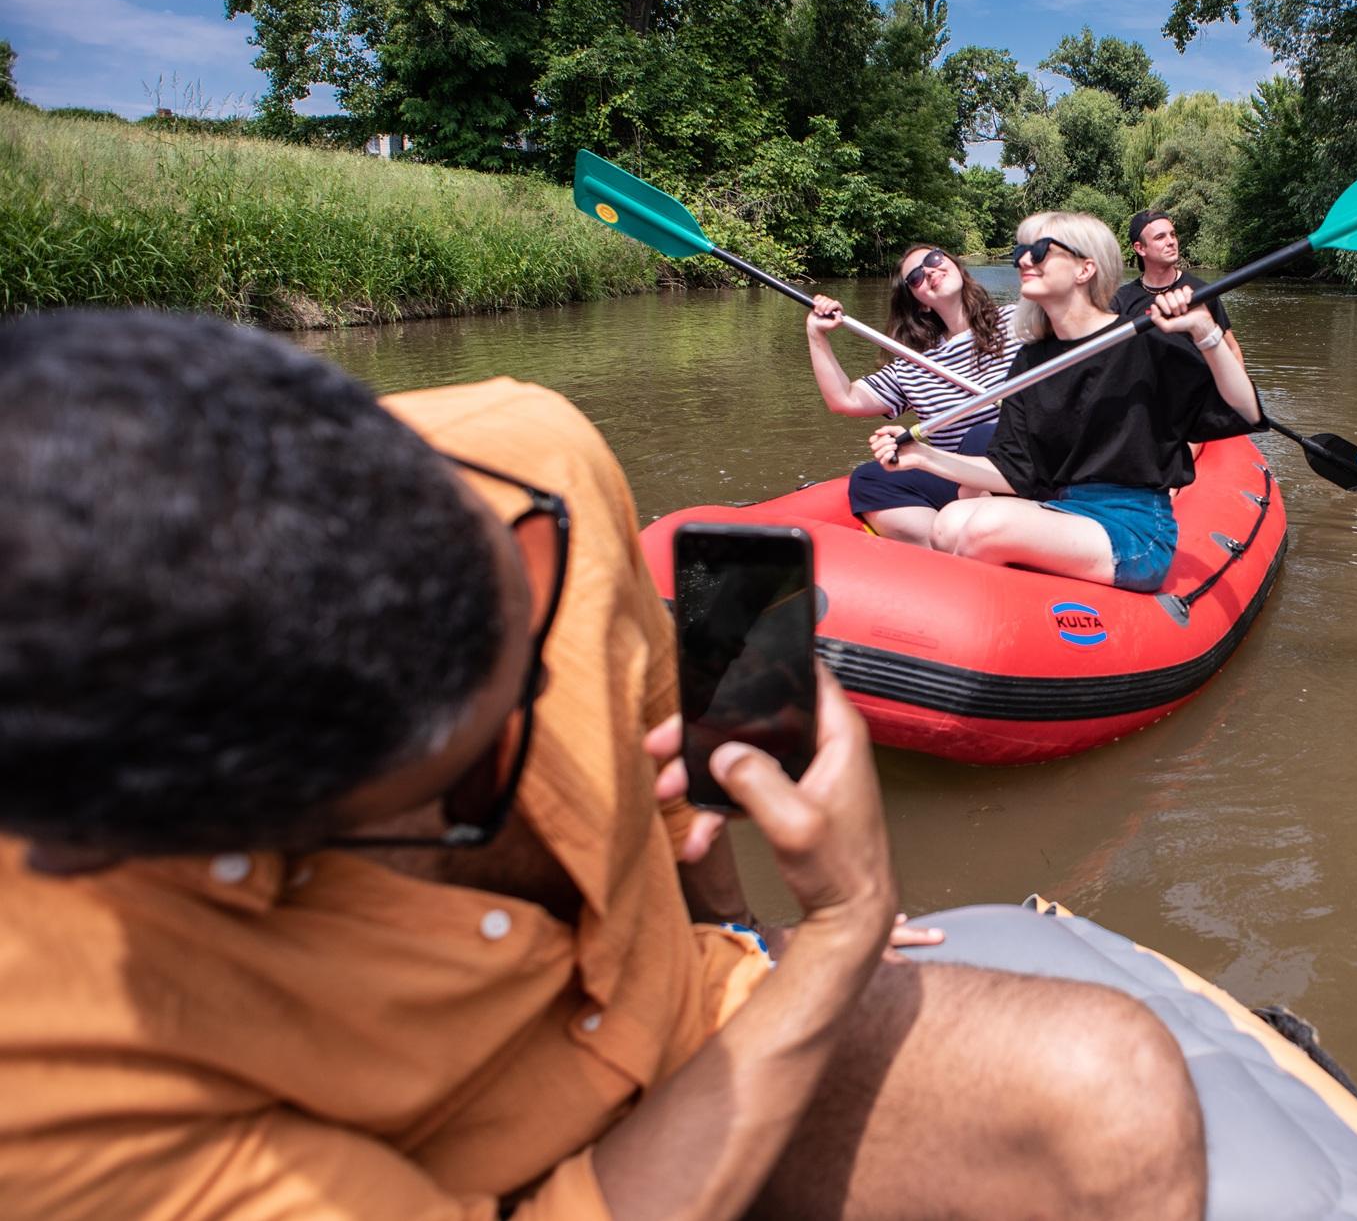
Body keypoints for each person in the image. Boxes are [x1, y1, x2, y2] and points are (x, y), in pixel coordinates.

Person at [0, 309, 1206, 1221]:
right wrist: (841, 924)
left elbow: (677, 795)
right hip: (447, 1170)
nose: (547, 629)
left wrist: (746, 934)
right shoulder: (52, 1073)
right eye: (481, 747)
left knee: (1116, 1085)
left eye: (527, 578)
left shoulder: (525, 456)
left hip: (665, 998)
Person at [867, 212, 1262, 593]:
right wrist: (922, 456)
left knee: (986, 524)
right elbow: (1013, 472)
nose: (1023, 259)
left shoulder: (1143, 337)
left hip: (1134, 528)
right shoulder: (1032, 360)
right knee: (950, 522)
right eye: (1020, 251)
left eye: (1039, 250)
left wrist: (1204, 330)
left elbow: (1245, 410)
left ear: (1084, 269)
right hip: (1065, 509)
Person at [806, 243, 1018, 545]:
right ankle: (945, 548)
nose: (928, 271)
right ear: (920, 303)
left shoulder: (1019, 321)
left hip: (1018, 467)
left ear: (956, 265)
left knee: (981, 437)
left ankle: (978, 525)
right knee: (869, 479)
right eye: (916, 277)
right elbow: (844, 399)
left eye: (934, 259)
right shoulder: (914, 365)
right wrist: (817, 335)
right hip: (956, 475)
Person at [1114, 209, 1243, 363]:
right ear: (1140, 248)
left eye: (1173, 234)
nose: (1171, 241)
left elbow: (1232, 349)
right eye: (1160, 237)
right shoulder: (1121, 300)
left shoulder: (1201, 292)